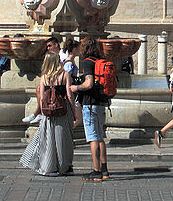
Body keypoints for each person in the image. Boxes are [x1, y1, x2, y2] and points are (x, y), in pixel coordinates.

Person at [21, 52, 76, 176]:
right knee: (64, 139)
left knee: (49, 139)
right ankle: (64, 167)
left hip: (48, 112)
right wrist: (73, 111)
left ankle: (49, 167)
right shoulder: (65, 75)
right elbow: (69, 95)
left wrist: (42, 111)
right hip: (62, 110)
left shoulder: (44, 77)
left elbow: (41, 98)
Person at [71, 37, 111, 181]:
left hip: (90, 104)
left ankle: (96, 171)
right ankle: (104, 170)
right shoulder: (101, 61)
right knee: (100, 137)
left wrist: (76, 87)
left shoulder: (88, 62)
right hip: (101, 103)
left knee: (93, 138)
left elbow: (88, 84)